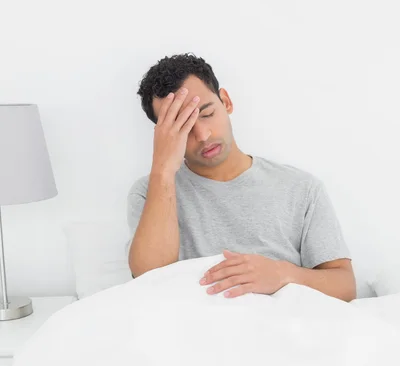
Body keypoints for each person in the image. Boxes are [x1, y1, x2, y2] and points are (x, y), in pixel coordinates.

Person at [126, 53, 356, 302]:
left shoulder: (301, 188)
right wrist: (163, 169)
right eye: (184, 126)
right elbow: (148, 279)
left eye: (206, 114)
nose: (203, 135)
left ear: (226, 101)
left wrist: (282, 274)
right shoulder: (150, 192)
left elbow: (345, 286)